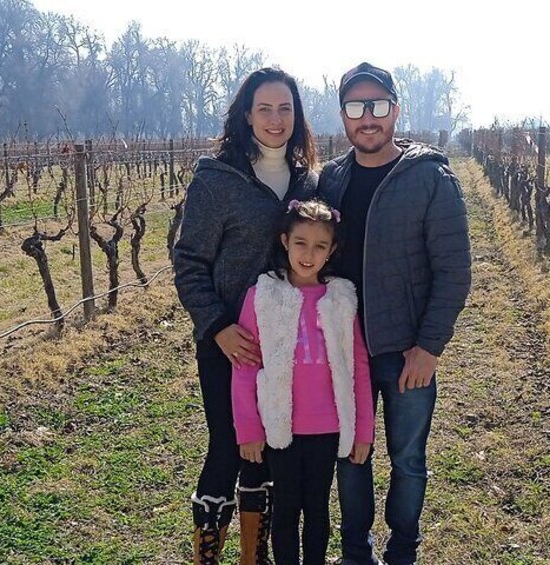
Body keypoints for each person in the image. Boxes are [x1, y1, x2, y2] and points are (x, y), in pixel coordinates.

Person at [318, 62, 472, 565]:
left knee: (408, 460)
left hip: (407, 351)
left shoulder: (429, 178)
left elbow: (453, 270)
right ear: (343, 116)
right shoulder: (331, 182)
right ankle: (355, 551)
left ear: (395, 112)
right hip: (346, 349)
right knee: (350, 456)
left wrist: (429, 347)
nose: (368, 118)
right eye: (357, 107)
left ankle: (403, 548)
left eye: (378, 106)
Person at [173, 67, 318, 565]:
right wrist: (216, 326)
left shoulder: (310, 182)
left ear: (296, 117)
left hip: (290, 347)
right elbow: (189, 262)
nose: (276, 119)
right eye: (265, 108)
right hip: (231, 345)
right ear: (246, 115)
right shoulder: (217, 180)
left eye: (285, 109)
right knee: (228, 447)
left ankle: (253, 556)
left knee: (272, 449)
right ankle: (207, 555)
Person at [232, 199, 375, 565]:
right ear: (284, 240)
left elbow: (357, 367)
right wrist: (248, 427)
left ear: (332, 250)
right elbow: (245, 367)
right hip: (282, 425)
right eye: (300, 243)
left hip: (326, 427)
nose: (309, 254)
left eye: (320, 246)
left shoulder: (342, 298)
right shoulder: (263, 296)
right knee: (284, 510)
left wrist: (363, 431)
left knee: (317, 509)